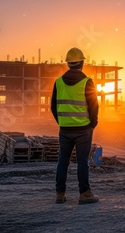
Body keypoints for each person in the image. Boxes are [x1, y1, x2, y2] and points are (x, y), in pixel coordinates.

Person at [51, 47, 99, 204]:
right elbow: (94, 106)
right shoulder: (87, 82)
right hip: (83, 129)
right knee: (82, 161)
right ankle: (84, 194)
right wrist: (92, 124)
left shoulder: (58, 83)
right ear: (82, 63)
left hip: (65, 129)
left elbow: (53, 107)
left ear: (68, 64)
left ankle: (60, 194)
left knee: (62, 161)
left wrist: (63, 122)